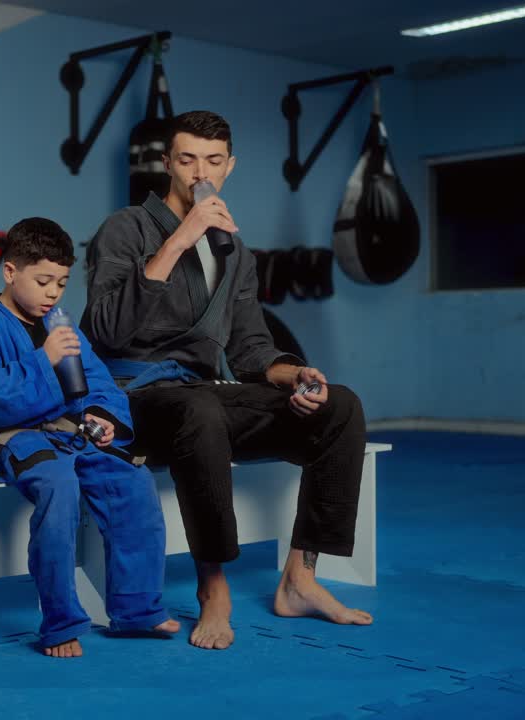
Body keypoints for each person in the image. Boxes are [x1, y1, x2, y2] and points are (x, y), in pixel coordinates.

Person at [81, 111, 372, 651]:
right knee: (202, 412)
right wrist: (178, 241)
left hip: (201, 395)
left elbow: (249, 349)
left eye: (212, 161)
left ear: (229, 165)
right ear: (167, 163)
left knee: (341, 407)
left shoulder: (233, 250)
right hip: (133, 399)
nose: (200, 173)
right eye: (187, 160)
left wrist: (294, 375)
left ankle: (301, 579)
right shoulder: (124, 229)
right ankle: (213, 588)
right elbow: (103, 330)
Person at [0, 217, 180, 658]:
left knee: (131, 480)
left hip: (67, 436)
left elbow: (97, 382)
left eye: (61, 282)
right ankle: (60, 623)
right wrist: (44, 359)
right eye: (43, 281)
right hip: (10, 438)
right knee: (60, 486)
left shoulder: (63, 327)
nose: (53, 292)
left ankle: (136, 609)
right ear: (11, 272)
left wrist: (101, 415)